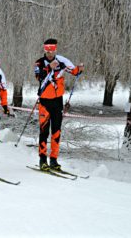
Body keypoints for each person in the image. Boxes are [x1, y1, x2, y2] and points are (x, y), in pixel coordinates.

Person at [34, 38, 83, 171]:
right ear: (44, 50)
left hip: (57, 102)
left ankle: (54, 160)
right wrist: (49, 67)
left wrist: (79, 69)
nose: (50, 53)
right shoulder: (40, 62)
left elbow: (74, 71)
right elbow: (38, 77)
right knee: (44, 131)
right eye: (47, 50)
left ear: (55, 50)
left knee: (56, 131)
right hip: (44, 102)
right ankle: (42, 160)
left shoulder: (62, 60)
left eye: (52, 50)